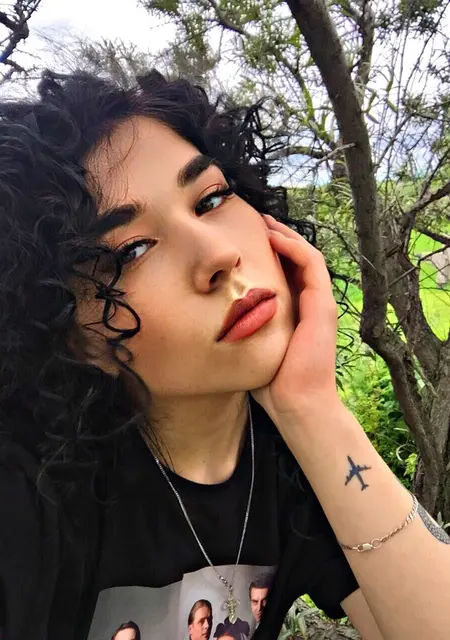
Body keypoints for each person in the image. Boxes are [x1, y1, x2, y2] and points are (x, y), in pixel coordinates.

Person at [1, 66, 450, 640]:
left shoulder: (294, 459)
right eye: (132, 250)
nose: (217, 254)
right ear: (74, 334)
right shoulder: (29, 493)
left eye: (211, 198)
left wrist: (312, 408)